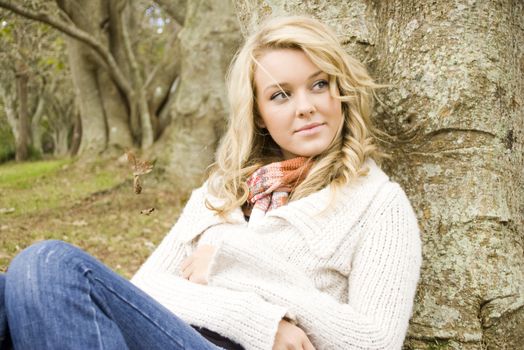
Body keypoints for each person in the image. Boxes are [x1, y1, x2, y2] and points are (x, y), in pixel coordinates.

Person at [0, 15, 421, 350]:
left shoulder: (376, 203)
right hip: (171, 337)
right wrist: (260, 322)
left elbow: (375, 341)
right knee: (12, 290)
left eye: (319, 85)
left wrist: (232, 260)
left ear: (340, 91)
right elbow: (148, 288)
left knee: (48, 266)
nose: (306, 107)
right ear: (257, 113)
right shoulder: (223, 191)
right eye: (280, 95)